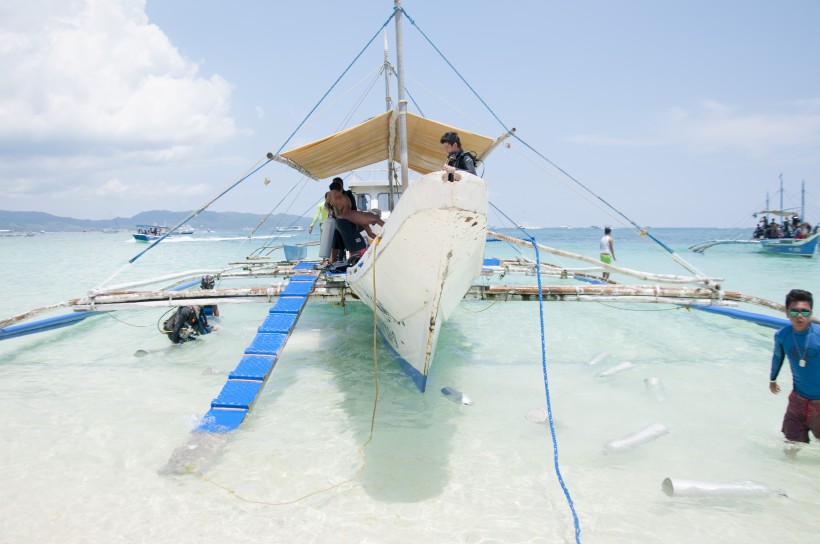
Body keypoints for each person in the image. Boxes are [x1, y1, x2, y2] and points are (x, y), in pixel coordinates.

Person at [769, 289, 820, 455]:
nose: (800, 316)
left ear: (810, 313)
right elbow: (778, 357)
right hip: (797, 401)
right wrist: (772, 378)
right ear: (787, 313)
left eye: (805, 311)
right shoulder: (782, 335)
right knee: (790, 445)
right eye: (795, 311)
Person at [309, 193, 333, 265]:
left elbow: (317, 216)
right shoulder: (332, 205)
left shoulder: (320, 205)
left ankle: (324, 260)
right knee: (331, 241)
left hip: (323, 224)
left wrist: (312, 226)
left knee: (323, 242)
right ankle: (330, 259)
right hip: (331, 223)